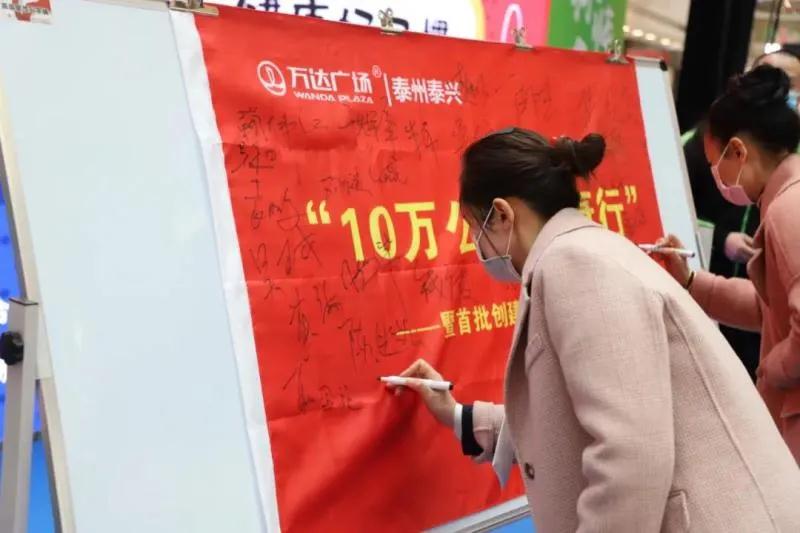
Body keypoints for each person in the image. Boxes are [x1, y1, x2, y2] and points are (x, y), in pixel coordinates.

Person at [388, 127, 800, 532]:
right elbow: (569, 419)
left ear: (502, 214)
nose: (476, 246)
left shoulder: (575, 265)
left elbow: (629, 454)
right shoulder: (586, 251)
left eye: (473, 227)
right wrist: (459, 416)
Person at [660, 64, 800, 464]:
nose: (716, 176)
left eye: (715, 163)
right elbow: (768, 307)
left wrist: (774, 368)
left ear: (738, 151)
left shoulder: (788, 210)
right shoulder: (785, 199)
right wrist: (691, 282)